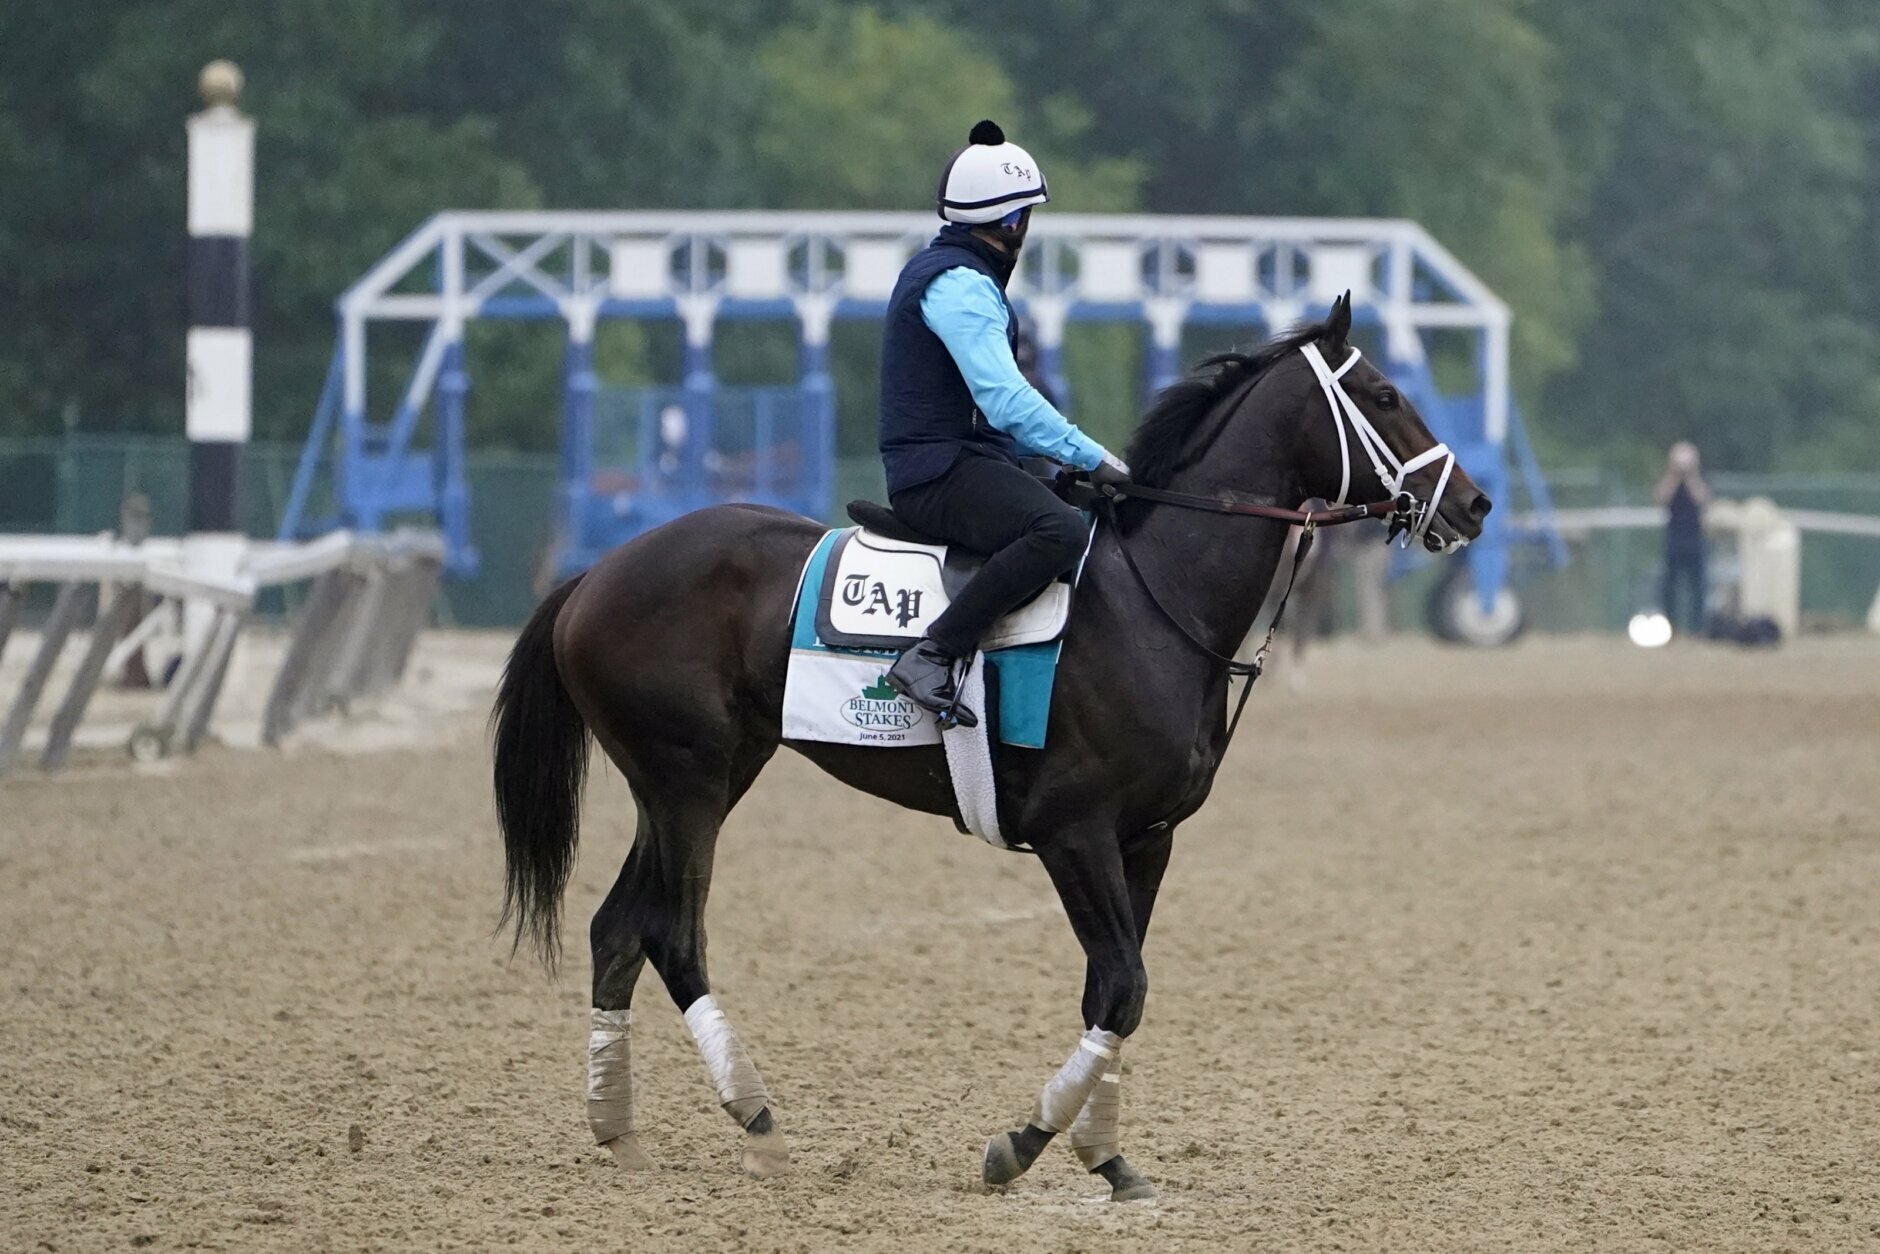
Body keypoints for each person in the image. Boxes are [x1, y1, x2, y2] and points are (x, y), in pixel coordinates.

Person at [877, 120, 1131, 727]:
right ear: (1013, 223)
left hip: (966, 465)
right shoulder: (960, 286)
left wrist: (1069, 469)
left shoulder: (957, 276)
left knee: (1089, 517)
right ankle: (933, 654)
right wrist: (1094, 456)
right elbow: (1006, 402)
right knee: (1061, 532)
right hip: (937, 473)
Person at [1655, 440, 1711, 635]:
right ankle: (1671, 627)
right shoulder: (1670, 481)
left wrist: (1690, 476)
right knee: (1670, 586)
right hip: (1674, 539)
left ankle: (1697, 628)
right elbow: (1661, 498)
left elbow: (1702, 499)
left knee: (1698, 587)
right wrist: (1673, 474)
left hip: (1695, 540)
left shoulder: (1698, 481)